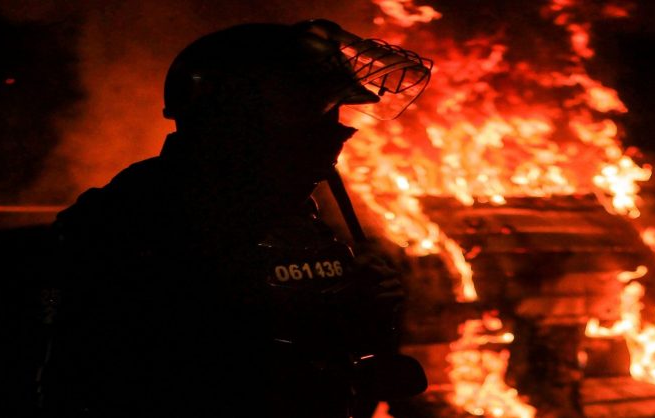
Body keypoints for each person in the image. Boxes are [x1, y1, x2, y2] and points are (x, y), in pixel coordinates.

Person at [42, 19, 431, 418]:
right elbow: (151, 364)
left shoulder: (291, 210)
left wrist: (357, 325)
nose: (337, 137)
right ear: (238, 121)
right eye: (314, 117)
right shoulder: (137, 217)